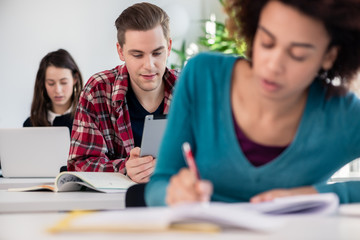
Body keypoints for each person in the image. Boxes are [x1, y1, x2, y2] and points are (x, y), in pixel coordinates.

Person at [145, 0, 360, 206]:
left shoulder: (343, 114)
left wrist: (316, 195)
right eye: (267, 43)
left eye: (298, 54)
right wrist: (173, 195)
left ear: (329, 56)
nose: (273, 65)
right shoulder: (203, 77)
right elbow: (158, 185)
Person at [67, 2, 178, 184]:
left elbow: (213, 155)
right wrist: (125, 168)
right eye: (137, 55)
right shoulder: (97, 90)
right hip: (115, 206)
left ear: (169, 46)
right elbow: (79, 165)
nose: (149, 65)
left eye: (157, 53)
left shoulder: (189, 89)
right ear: (120, 51)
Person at [23, 49, 83, 134]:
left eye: (64, 82)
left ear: (75, 79)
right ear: (43, 83)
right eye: (51, 83)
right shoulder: (30, 124)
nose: (58, 90)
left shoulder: (87, 120)